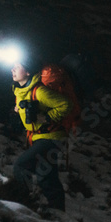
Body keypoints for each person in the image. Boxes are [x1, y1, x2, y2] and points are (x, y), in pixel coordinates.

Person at [11, 61, 71, 211]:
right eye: (13, 66)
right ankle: (58, 214)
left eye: (18, 67)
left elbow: (66, 104)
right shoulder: (20, 93)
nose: (13, 69)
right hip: (39, 138)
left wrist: (48, 118)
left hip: (52, 137)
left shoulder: (39, 91)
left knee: (21, 165)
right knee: (46, 177)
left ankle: (22, 206)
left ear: (28, 72)